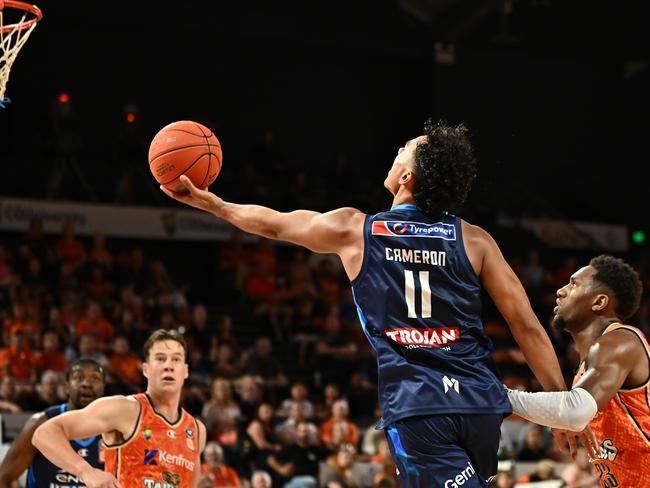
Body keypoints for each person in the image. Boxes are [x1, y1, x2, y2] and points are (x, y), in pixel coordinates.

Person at [161, 119, 567, 486]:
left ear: (407, 175)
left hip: (419, 408)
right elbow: (526, 325)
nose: (397, 149)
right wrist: (560, 406)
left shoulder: (356, 229)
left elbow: (275, 222)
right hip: (479, 405)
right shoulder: (475, 239)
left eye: (405, 147)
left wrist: (216, 205)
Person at [507, 254, 649, 486]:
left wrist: (498, 395)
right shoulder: (587, 367)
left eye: (573, 284)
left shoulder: (622, 341)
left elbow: (573, 411)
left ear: (599, 302)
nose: (560, 291)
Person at [32, 329, 206, 488]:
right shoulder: (126, 409)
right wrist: (85, 471)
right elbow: (45, 433)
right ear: (145, 369)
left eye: (176, 359)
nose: (168, 365)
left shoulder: (196, 430)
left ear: (185, 371)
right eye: (160, 359)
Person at [0, 358, 106, 488]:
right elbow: (3, 478)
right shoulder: (40, 424)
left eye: (95, 379)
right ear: (66, 387)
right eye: (78, 378)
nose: (86, 384)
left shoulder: (114, 429)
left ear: (104, 388)